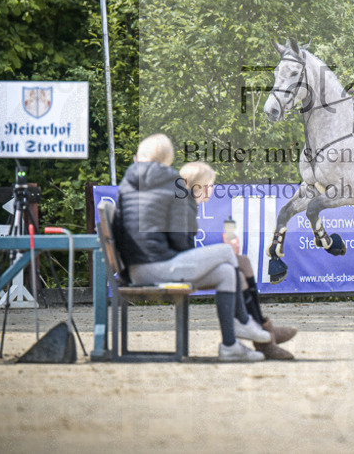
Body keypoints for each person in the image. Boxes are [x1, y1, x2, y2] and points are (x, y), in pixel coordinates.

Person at [114, 134, 269, 362]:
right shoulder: (172, 183)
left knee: (227, 273)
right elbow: (179, 240)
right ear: (168, 158)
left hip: (136, 268)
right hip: (156, 267)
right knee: (227, 252)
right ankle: (244, 322)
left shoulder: (127, 184)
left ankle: (230, 346)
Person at [181, 162, 298, 360]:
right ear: (199, 186)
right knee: (233, 265)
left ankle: (262, 327)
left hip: (183, 264)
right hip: (179, 267)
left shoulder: (187, 205)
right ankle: (263, 335)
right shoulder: (184, 207)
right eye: (210, 184)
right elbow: (182, 251)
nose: (213, 188)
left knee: (241, 261)